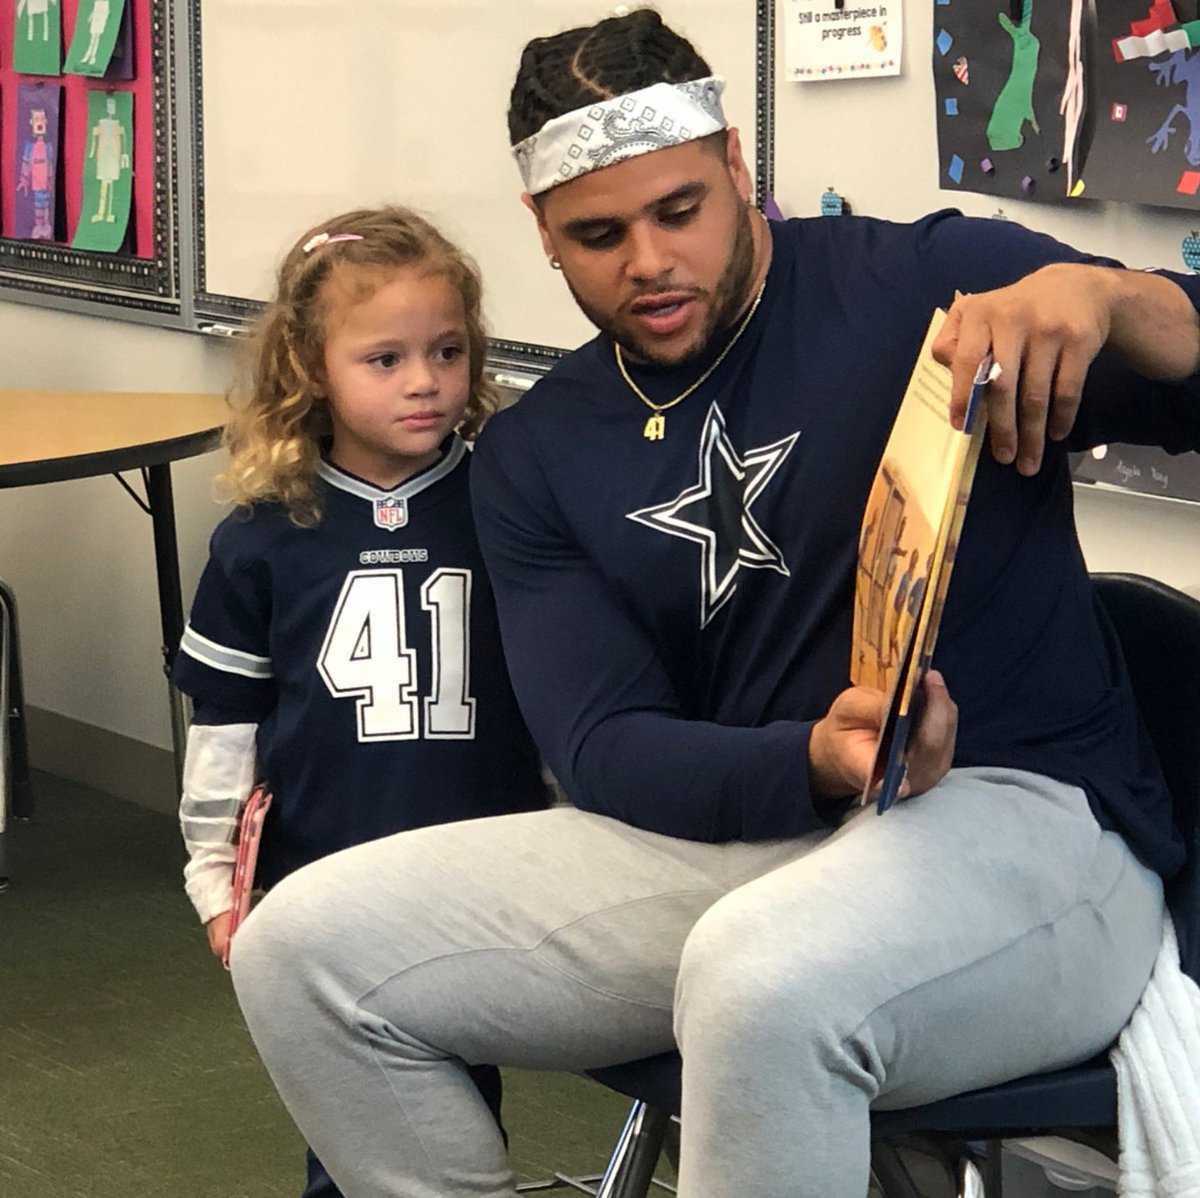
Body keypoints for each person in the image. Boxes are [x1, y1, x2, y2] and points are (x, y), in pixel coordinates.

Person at [228, 12, 1200, 1198]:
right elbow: (602, 747)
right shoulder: (538, 452)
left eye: (678, 210)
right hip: (751, 838)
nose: (647, 261)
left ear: (737, 167)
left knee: (760, 979)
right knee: (302, 948)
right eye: (598, 233)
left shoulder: (923, 288)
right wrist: (817, 761)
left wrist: (1114, 298)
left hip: (1036, 824)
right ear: (541, 234)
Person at [172, 206, 548, 1198]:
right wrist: (216, 875)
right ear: (310, 366)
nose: (425, 381)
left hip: (480, 881)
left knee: (461, 1107)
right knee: (353, 1128)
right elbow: (224, 724)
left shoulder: (508, 503)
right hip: (322, 887)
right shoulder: (263, 536)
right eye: (384, 358)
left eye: (448, 350)